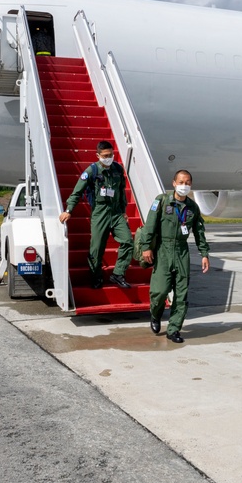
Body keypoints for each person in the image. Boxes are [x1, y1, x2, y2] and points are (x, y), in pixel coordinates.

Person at [140, 170, 210, 343]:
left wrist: (204, 254)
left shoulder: (192, 207)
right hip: (163, 249)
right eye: (181, 182)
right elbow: (150, 225)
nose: (184, 186)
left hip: (182, 250)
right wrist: (146, 247)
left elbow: (199, 231)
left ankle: (174, 329)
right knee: (160, 291)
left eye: (187, 183)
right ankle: (155, 314)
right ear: (173, 183)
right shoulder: (162, 201)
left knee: (181, 293)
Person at [60, 141, 133, 289]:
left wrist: (123, 211)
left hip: (116, 213)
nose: (109, 158)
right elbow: (77, 192)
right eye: (105, 156)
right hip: (100, 212)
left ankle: (118, 273)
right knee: (97, 248)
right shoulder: (91, 171)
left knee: (128, 241)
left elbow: (121, 192)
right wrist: (69, 210)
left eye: (111, 155)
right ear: (98, 155)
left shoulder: (118, 169)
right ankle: (96, 277)